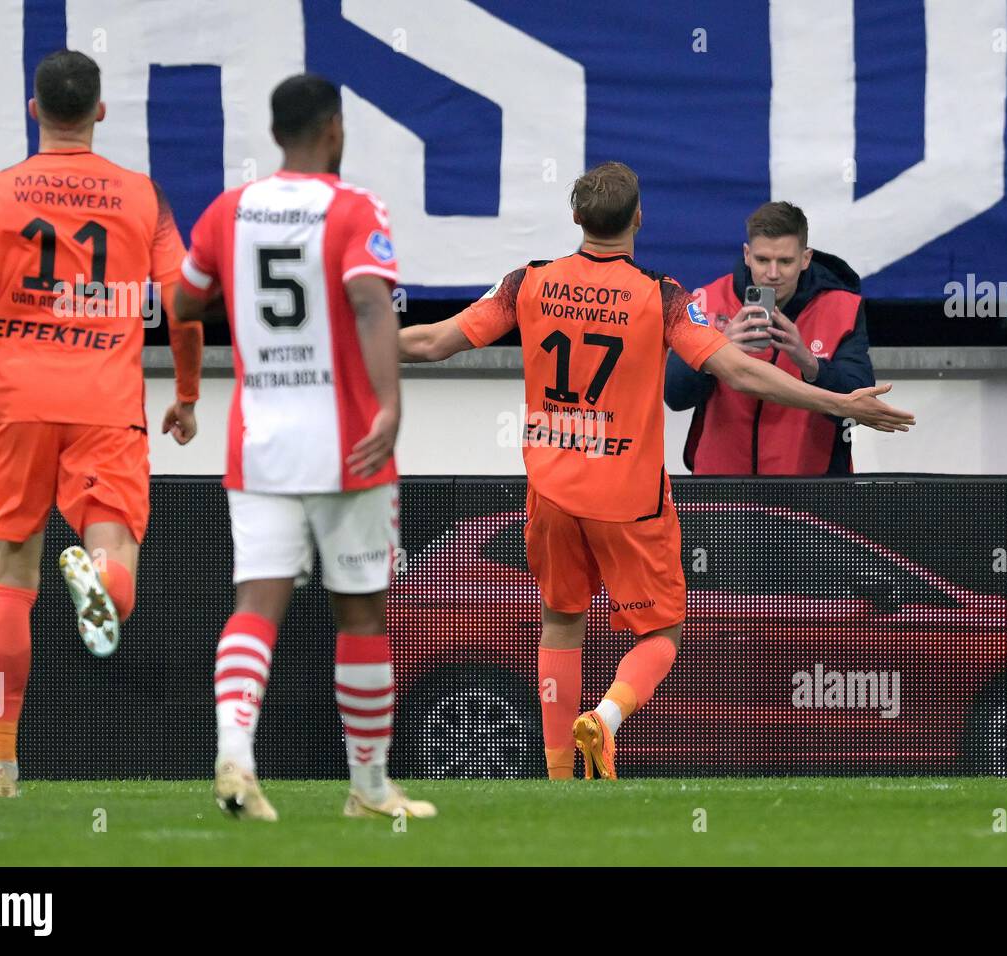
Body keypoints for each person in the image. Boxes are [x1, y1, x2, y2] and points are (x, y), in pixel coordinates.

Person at [399, 162, 914, 780]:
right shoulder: (662, 296)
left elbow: (431, 342)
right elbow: (740, 372)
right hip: (629, 500)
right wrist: (841, 402)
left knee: (561, 624)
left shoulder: (527, 283)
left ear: (576, 218)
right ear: (639, 219)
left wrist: (353, 343)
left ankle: (559, 777)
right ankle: (607, 717)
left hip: (551, 494)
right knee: (662, 633)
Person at [0, 50, 203, 799]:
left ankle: (1, 765)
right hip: (104, 404)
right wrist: (185, 393)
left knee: (13, 574)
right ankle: (98, 576)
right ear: (100, 112)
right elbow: (183, 310)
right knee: (118, 561)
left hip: (14, 401)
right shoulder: (143, 195)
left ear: (34, 110)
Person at [174, 73, 434, 822]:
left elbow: (183, 299)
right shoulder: (355, 208)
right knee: (361, 615)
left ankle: (235, 754)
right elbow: (370, 302)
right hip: (348, 445)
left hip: (259, 443)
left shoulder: (229, 210)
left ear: (274, 133)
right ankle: (371, 789)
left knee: (256, 604)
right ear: (335, 129)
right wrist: (390, 405)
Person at [665, 201, 875, 474]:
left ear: (806, 259)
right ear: (747, 254)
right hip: (721, 487)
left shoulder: (842, 308)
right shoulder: (707, 301)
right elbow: (674, 396)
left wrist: (810, 363)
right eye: (763, 260)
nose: (773, 274)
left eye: (785, 261)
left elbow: (859, 407)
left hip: (810, 488)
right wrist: (716, 351)